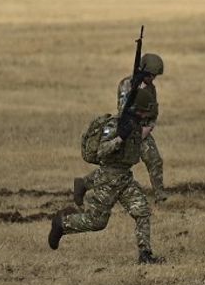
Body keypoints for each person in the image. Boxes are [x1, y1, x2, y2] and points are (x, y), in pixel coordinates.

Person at [50, 97, 162, 262]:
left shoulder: (138, 128)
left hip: (125, 179)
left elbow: (150, 156)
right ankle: (62, 224)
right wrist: (120, 139)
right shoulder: (114, 126)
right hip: (108, 181)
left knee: (142, 212)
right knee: (97, 222)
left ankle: (145, 254)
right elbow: (102, 151)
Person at [74, 53, 166, 205]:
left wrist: (148, 128)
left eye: (154, 76)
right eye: (150, 75)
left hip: (142, 131)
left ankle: (160, 194)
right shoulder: (127, 84)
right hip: (125, 130)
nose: (152, 79)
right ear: (142, 71)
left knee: (154, 159)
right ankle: (83, 184)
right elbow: (124, 111)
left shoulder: (151, 89)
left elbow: (152, 112)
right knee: (114, 170)